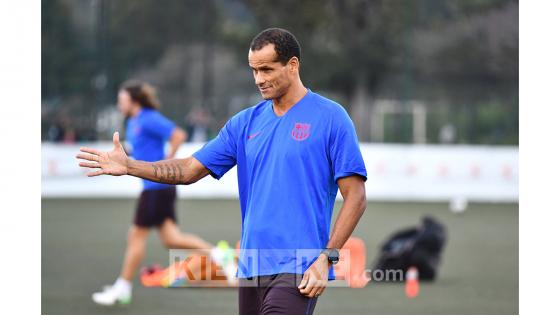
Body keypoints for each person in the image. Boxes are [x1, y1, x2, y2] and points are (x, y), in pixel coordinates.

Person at [78, 28, 367, 315]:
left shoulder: (331, 118)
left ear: (293, 65)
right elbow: (189, 169)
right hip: (251, 264)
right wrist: (130, 166)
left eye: (266, 69)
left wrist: (327, 257)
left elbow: (355, 196)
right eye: (254, 70)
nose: (259, 79)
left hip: (300, 266)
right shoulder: (244, 124)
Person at [90, 80, 236, 306]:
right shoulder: (134, 122)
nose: (119, 105)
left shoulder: (148, 118)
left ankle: (123, 287)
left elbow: (178, 134)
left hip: (156, 188)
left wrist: (168, 161)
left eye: (122, 100)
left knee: (136, 235)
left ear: (134, 100)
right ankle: (218, 253)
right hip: (156, 189)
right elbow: (141, 150)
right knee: (171, 239)